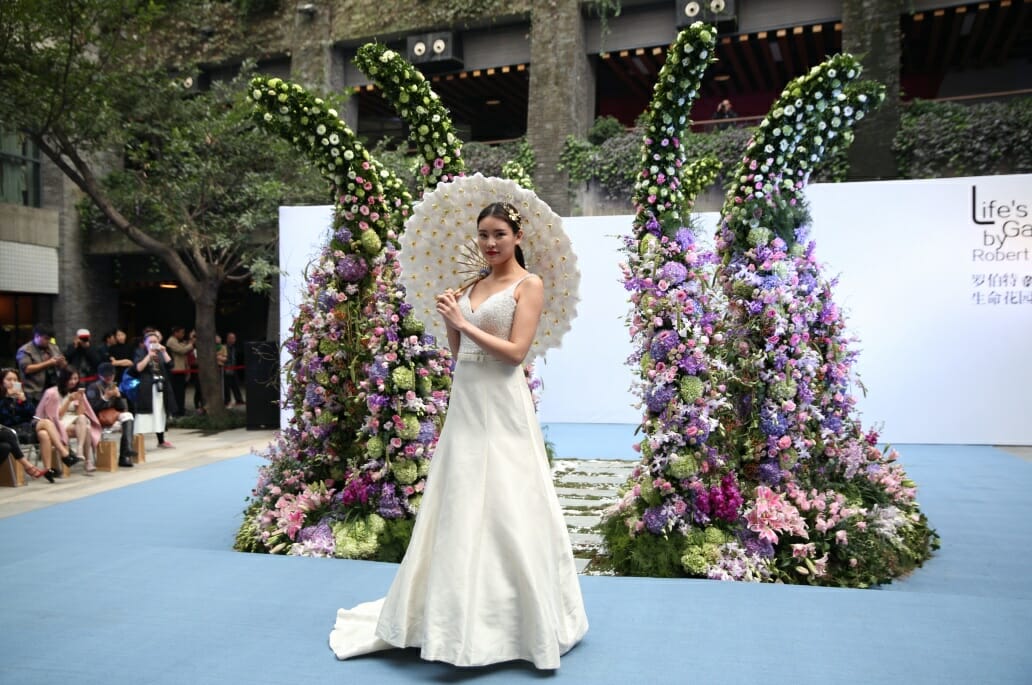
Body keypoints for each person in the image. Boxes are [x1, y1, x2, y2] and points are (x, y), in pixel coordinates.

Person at [328, 202, 588, 669]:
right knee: (461, 499)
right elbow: (459, 353)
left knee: (509, 500)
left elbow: (515, 354)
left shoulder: (530, 285)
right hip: (466, 402)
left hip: (503, 405)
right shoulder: (471, 285)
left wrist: (466, 322)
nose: (490, 243)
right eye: (484, 234)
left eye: (499, 234)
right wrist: (452, 322)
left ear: (518, 236)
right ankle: (449, 618)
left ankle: (514, 623)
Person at [37, 368, 100, 475]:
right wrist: (69, 400)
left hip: (75, 421)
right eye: (70, 379)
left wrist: (80, 399)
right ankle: (87, 461)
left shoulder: (78, 392)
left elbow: (80, 413)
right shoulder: (53, 392)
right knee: (86, 428)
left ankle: (81, 452)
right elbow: (57, 416)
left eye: (75, 378)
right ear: (64, 379)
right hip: (58, 422)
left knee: (84, 421)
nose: (73, 381)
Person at [0, 368, 55, 482]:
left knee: (44, 433)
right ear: (2, 381)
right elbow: (5, 418)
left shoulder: (21, 394)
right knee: (46, 423)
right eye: (9, 379)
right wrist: (6, 399)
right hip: (10, 428)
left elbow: (31, 413)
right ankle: (65, 454)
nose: (12, 382)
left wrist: (24, 400)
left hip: (25, 427)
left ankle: (48, 469)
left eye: (15, 380)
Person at [131, 331, 177, 448]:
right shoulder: (140, 352)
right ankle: (137, 442)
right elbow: (138, 368)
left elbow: (171, 365)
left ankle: (161, 440)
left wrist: (164, 351)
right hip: (147, 387)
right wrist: (148, 356)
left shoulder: (161, 353)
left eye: (155, 342)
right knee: (144, 415)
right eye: (150, 342)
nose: (153, 344)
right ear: (145, 343)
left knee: (159, 413)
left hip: (160, 387)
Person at [86, 362, 137, 467]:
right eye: (106, 376)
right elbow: (91, 409)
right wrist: (105, 398)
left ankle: (125, 454)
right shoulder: (93, 388)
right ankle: (126, 453)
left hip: (111, 417)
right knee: (126, 418)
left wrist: (118, 397)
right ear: (100, 375)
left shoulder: (113, 386)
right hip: (97, 419)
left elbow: (122, 409)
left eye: (111, 375)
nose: (109, 378)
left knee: (128, 416)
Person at [15, 324, 66, 403]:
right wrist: (48, 363)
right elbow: (27, 369)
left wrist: (62, 362)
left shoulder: (54, 347)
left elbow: (64, 366)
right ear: (37, 336)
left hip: (54, 388)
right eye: (46, 338)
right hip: (34, 391)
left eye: (49, 339)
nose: (48, 341)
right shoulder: (25, 350)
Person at [165, 326, 194, 418]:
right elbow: (182, 350)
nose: (182, 335)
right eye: (181, 332)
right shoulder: (171, 341)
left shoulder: (179, 341)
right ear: (175, 333)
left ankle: (181, 409)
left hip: (181, 369)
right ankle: (177, 411)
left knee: (181, 392)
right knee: (177, 392)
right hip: (175, 370)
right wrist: (191, 344)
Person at [222, 332, 245, 407]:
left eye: (234, 338)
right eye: (231, 338)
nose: (233, 340)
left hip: (234, 368)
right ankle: (227, 401)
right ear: (227, 339)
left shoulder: (235, 348)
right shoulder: (224, 347)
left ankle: (239, 400)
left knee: (235, 385)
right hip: (226, 368)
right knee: (226, 386)